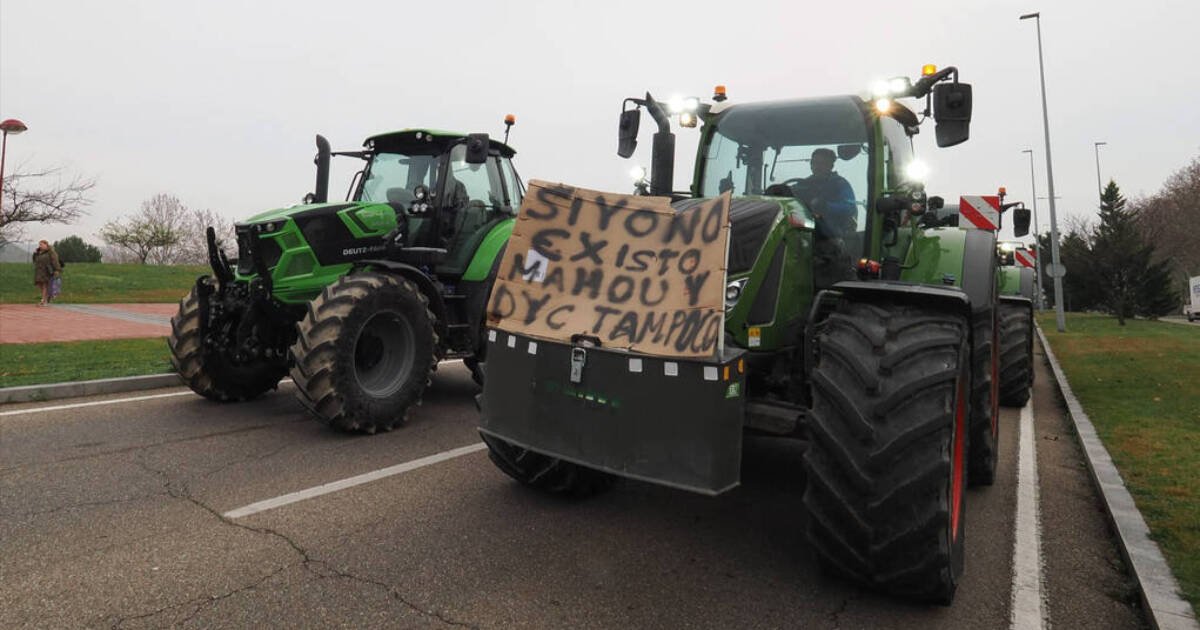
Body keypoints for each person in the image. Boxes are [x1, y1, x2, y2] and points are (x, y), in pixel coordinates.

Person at [792, 148, 857, 288]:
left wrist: (827, 207)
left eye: (822, 163)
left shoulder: (839, 184)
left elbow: (850, 207)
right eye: (814, 162)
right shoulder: (802, 185)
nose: (817, 166)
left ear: (831, 165)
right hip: (803, 236)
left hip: (831, 238)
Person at [32, 240, 62, 306]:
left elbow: (55, 261)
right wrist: (34, 254)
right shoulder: (38, 252)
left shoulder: (51, 252)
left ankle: (43, 301)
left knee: (45, 285)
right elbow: (34, 260)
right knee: (40, 285)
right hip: (39, 271)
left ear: (46, 245)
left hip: (47, 271)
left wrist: (57, 269)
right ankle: (46, 297)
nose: (40, 246)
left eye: (42, 244)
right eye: (39, 245)